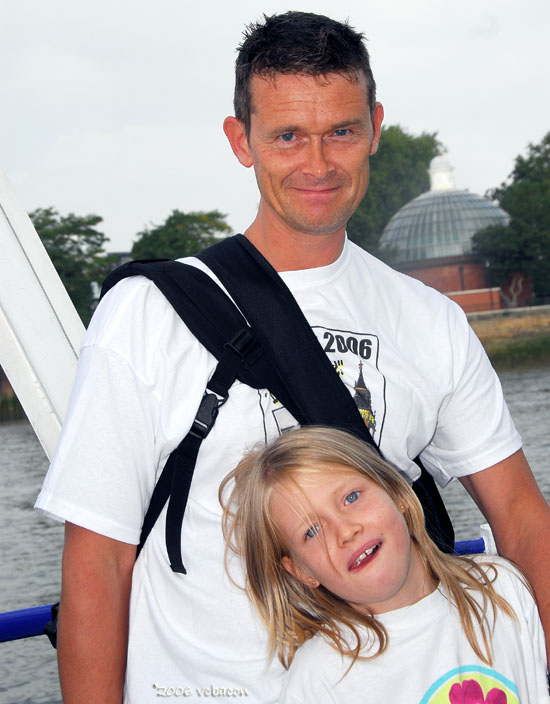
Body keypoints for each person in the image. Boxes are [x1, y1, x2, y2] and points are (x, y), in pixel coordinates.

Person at [34, 11, 550, 704]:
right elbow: (99, 563)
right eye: (287, 137)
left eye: (341, 131)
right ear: (239, 140)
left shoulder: (431, 323)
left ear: (375, 126)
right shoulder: (145, 315)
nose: (317, 164)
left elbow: (520, 519)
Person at [221, 426, 549, 702]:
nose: (345, 531)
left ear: (400, 495)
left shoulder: (503, 587)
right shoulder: (320, 680)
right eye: (312, 530)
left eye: (351, 498)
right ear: (302, 571)